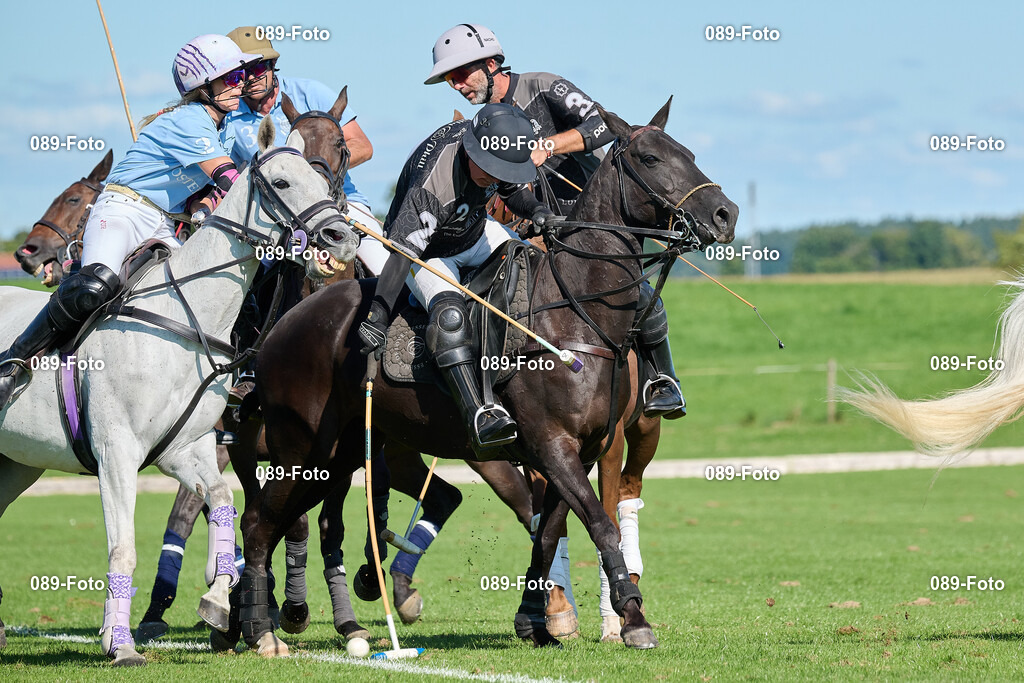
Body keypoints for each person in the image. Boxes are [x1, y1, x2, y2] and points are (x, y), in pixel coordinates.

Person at [425, 24, 684, 419]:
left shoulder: (543, 86)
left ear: (491, 64)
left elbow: (605, 124)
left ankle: (662, 379)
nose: (458, 85)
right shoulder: (486, 122)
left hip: (591, 225)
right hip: (538, 229)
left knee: (640, 295)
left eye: (461, 74)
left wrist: (548, 145)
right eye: (450, 80)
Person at [0, 35, 260, 407]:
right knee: (95, 286)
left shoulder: (226, 127)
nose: (242, 83)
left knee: (204, 287)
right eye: (232, 77)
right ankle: (12, 363)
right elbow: (228, 179)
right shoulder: (189, 120)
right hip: (122, 209)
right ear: (204, 86)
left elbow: (204, 190)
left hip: (162, 222)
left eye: (242, 75)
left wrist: (202, 206)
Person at [358, 104, 555, 451]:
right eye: (490, 170)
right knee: (450, 317)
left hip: (474, 232)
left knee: (531, 265)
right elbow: (402, 254)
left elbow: (511, 192)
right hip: (427, 253)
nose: (494, 177)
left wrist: (537, 210)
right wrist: (378, 313)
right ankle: (479, 414)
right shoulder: (434, 185)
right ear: (471, 151)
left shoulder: (493, 148)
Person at [223, 26, 388, 274]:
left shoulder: (310, 92)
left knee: (383, 267)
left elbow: (362, 146)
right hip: (275, 219)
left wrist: (314, 175)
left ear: (273, 64)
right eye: (243, 72)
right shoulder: (229, 119)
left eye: (257, 68)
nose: (252, 78)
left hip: (339, 202)